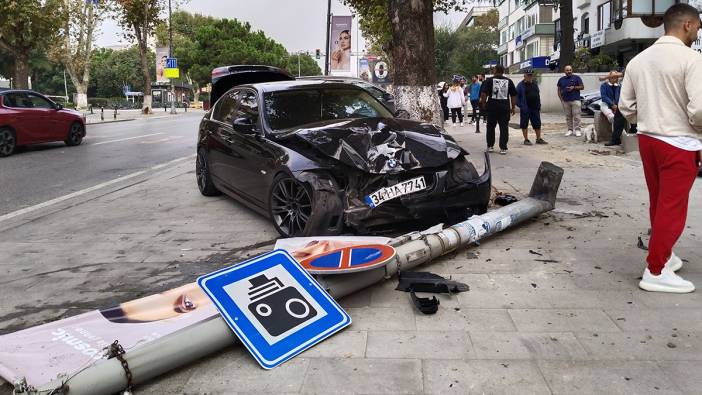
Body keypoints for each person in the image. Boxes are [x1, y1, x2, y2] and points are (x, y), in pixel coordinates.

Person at [619, 3, 702, 293]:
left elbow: (625, 106)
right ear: (687, 24)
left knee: (659, 202)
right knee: (673, 207)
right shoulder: (691, 59)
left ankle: (667, 255)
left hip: (648, 139)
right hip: (678, 140)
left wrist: (648, 118)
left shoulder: (638, 61)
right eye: (698, 26)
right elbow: (700, 108)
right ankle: (655, 269)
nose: (698, 32)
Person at [479, 64, 517, 154]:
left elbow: (483, 94)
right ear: (503, 71)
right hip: (504, 108)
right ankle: (503, 148)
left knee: (491, 127)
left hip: (492, 107)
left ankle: (490, 146)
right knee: (504, 128)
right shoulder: (509, 81)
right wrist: (513, 107)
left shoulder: (489, 81)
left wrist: (484, 103)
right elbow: (514, 95)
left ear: (495, 71)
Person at [516, 70, 547, 145]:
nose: (530, 76)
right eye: (528, 75)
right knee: (524, 124)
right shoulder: (520, 85)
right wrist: (521, 106)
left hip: (535, 107)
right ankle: (526, 139)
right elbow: (516, 97)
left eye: (531, 75)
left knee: (537, 124)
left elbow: (537, 94)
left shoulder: (534, 84)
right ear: (524, 76)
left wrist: (539, 105)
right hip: (525, 108)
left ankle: (538, 139)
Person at [557, 65, 585, 137]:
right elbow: (559, 90)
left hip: (575, 100)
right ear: (564, 71)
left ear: (572, 70)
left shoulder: (577, 78)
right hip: (565, 101)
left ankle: (578, 130)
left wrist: (574, 87)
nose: (569, 71)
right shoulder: (561, 79)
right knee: (568, 116)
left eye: (570, 70)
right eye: (567, 70)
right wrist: (561, 100)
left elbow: (582, 87)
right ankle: (570, 130)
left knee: (577, 116)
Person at [600, 70, 626, 146]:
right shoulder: (604, 85)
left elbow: (621, 97)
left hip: (618, 105)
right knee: (612, 117)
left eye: (616, 77)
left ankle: (616, 138)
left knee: (619, 117)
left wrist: (617, 105)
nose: (614, 78)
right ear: (609, 78)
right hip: (606, 105)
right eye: (613, 77)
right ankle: (615, 138)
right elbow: (604, 97)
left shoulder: (619, 86)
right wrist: (612, 104)